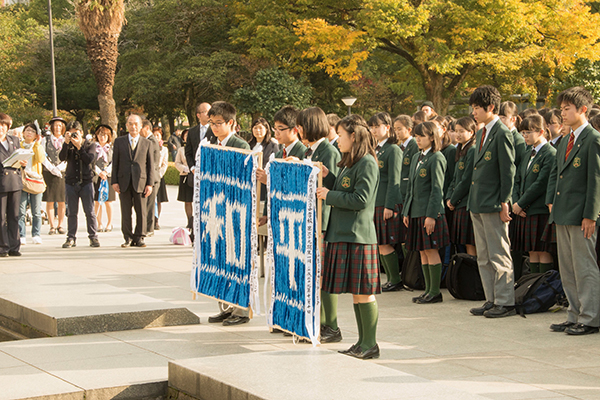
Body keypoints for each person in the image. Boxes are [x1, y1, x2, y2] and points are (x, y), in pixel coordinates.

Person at [317, 114, 381, 359]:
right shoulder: (350, 162)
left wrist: (327, 195)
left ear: (353, 136)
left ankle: (370, 344)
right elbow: (345, 189)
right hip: (345, 233)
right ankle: (362, 342)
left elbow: (361, 200)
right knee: (357, 292)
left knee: (364, 292)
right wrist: (329, 177)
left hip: (358, 235)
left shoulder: (366, 162)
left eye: (341, 136)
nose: (338, 140)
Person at [547, 86, 600, 336]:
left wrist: (591, 214)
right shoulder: (567, 139)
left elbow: (596, 181)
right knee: (567, 268)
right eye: (561, 108)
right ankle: (574, 313)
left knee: (584, 267)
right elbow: (557, 176)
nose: (563, 113)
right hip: (563, 212)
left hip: (581, 216)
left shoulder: (593, 139)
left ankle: (590, 318)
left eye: (567, 108)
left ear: (583, 110)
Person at [468, 85, 516, 318]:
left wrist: (505, 200)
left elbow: (508, 171)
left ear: (491, 107)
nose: (474, 112)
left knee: (499, 253)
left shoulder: (502, 132)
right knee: (484, 255)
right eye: (473, 107)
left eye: (478, 107)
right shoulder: (481, 132)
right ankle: (491, 298)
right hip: (477, 202)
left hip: (494, 203)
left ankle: (505, 301)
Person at [205, 101, 252, 327]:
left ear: (231, 123)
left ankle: (241, 310)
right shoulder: (214, 143)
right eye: (211, 123)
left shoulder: (240, 145)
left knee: (237, 259)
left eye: (218, 123)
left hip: (236, 210)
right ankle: (225, 306)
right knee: (221, 258)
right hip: (218, 209)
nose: (214, 127)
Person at [297, 107, 342, 343]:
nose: (299, 130)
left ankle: (331, 325)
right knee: (314, 275)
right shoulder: (309, 149)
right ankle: (318, 321)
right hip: (309, 219)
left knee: (324, 276)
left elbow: (334, 189)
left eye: (301, 126)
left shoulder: (328, 151)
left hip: (323, 221)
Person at [402, 121, 449, 304]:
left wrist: (431, 215)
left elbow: (437, 189)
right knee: (422, 251)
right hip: (415, 211)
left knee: (431, 250)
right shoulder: (417, 157)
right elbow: (411, 188)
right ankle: (427, 289)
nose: (418, 139)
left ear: (432, 137)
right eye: (416, 136)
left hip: (429, 213)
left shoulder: (437, 157)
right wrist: (407, 211)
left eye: (421, 136)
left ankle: (435, 291)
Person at [511, 115, 556, 274]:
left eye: (528, 132)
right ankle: (534, 286)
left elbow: (541, 184)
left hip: (539, 209)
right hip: (523, 211)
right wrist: (515, 203)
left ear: (541, 132)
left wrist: (521, 203)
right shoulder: (526, 152)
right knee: (531, 251)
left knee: (542, 251)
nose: (525, 136)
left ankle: (545, 287)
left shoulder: (550, 153)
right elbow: (517, 179)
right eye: (522, 133)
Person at [367, 112, 402, 292]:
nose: (373, 130)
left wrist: (390, 205)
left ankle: (395, 279)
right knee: (380, 242)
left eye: (376, 126)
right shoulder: (376, 149)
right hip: (374, 201)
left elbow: (395, 180)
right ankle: (389, 279)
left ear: (387, 127)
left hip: (385, 203)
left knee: (385, 242)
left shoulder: (393, 149)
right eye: (371, 126)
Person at [256, 106, 306, 226]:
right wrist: (266, 214)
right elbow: (270, 190)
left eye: (281, 129)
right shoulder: (278, 154)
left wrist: (270, 181)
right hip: (277, 216)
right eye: (275, 128)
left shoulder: (303, 153)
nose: (276, 133)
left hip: (295, 216)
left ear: (295, 130)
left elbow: (300, 187)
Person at [112, 114, 155, 248]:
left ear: (141, 126)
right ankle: (127, 237)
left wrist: (150, 184)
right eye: (130, 124)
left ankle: (140, 237)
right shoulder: (119, 142)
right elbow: (115, 163)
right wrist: (114, 181)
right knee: (125, 211)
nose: (133, 126)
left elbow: (150, 166)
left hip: (141, 182)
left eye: (136, 124)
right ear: (126, 126)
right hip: (123, 181)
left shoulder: (147, 143)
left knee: (141, 211)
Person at [59, 121, 100, 248]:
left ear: (81, 133)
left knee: (89, 211)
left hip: (86, 182)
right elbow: (61, 157)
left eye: (75, 133)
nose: (73, 136)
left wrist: (79, 147)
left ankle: (93, 237)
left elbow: (89, 159)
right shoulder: (68, 145)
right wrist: (66, 143)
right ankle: (71, 237)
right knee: (71, 212)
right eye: (70, 134)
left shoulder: (90, 145)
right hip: (71, 182)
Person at [446, 117, 477, 256]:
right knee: (462, 243)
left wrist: (454, 199)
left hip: (466, 202)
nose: (457, 134)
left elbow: (466, 179)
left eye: (462, 131)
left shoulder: (472, 150)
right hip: (457, 202)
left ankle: (473, 275)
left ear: (471, 132)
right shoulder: (460, 149)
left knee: (470, 243)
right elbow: (455, 178)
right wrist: (449, 198)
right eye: (456, 131)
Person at [0, 113, 25, 256]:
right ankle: (3, 246)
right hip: (1, 182)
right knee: (1, 217)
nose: (1, 128)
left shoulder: (14, 140)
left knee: (14, 215)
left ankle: (14, 246)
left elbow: (19, 155)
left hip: (15, 181)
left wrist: (23, 162)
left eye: (4, 125)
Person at [18, 123, 45, 245]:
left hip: (35, 180)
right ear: (23, 133)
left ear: (36, 135)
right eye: (27, 130)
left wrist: (38, 144)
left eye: (32, 131)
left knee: (36, 210)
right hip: (22, 180)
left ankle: (36, 234)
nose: (29, 133)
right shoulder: (18, 145)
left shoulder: (37, 146)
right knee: (21, 210)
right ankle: (21, 234)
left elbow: (40, 159)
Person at [394, 115, 418, 244]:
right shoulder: (399, 147)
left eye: (399, 129)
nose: (397, 132)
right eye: (395, 129)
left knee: (408, 234)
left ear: (409, 129)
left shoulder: (414, 145)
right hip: (400, 193)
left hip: (408, 192)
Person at [43, 117, 67, 235]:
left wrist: (60, 168)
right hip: (49, 172)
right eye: (55, 125)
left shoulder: (65, 140)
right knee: (50, 200)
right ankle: (52, 225)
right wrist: (51, 168)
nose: (57, 128)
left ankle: (60, 224)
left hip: (62, 172)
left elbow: (68, 156)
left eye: (60, 125)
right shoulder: (46, 140)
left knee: (61, 200)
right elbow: (42, 155)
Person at [248, 117, 279, 202]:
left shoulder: (272, 146)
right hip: (250, 183)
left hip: (264, 184)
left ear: (266, 129)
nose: (258, 130)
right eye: (255, 128)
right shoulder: (248, 145)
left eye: (260, 128)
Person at [140, 120, 161, 237]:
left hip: (152, 178)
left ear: (146, 128)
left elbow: (150, 162)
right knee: (146, 204)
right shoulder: (148, 140)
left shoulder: (151, 141)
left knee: (149, 204)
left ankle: (149, 228)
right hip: (148, 177)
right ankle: (145, 227)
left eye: (140, 128)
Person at [93, 125, 115, 233]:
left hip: (108, 177)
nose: (103, 137)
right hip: (96, 177)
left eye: (105, 135)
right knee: (97, 201)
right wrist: (99, 172)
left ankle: (109, 223)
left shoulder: (111, 148)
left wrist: (106, 172)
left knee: (108, 201)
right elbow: (91, 162)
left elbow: (114, 162)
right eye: (100, 135)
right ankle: (99, 223)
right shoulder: (93, 147)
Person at [175, 129, 193, 229]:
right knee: (187, 200)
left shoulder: (198, 148)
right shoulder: (181, 150)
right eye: (185, 136)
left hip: (196, 176)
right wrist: (184, 168)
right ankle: (190, 221)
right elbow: (177, 163)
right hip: (185, 176)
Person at [154, 127, 169, 230]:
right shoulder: (148, 146)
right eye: (154, 135)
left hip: (159, 176)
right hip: (150, 176)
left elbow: (165, 164)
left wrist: (159, 175)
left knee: (158, 200)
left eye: (158, 135)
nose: (156, 137)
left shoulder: (164, 149)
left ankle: (156, 220)